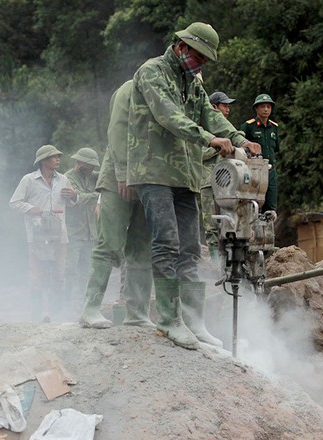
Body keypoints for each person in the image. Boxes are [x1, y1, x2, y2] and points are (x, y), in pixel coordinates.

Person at [127, 22, 261, 350]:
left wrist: (240, 137)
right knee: (167, 242)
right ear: (183, 47)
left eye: (204, 61)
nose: (200, 64)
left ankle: (193, 320)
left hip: (184, 175)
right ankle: (169, 320)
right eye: (198, 57)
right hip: (153, 171)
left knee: (190, 247)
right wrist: (208, 139)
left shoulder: (192, 83)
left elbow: (210, 115)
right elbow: (168, 115)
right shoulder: (152, 72)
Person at [79, 80, 154, 330]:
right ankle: (91, 308)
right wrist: (123, 173)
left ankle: (137, 311)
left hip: (148, 178)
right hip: (116, 178)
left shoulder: (173, 96)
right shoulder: (130, 89)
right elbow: (117, 134)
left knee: (141, 246)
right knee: (108, 243)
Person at [10, 145, 77, 321]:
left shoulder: (63, 179)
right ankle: (36, 315)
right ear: (43, 161)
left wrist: (73, 195)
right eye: (53, 157)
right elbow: (15, 202)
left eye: (57, 156)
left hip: (59, 235)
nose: (58, 159)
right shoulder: (29, 180)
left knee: (59, 274)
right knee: (36, 274)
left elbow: (71, 202)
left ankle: (56, 314)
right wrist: (31, 209)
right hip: (37, 235)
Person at [64, 148, 101, 317]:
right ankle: (65, 304)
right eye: (90, 166)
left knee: (86, 270)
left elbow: (106, 184)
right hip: (73, 231)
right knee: (69, 269)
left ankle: (83, 305)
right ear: (81, 164)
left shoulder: (94, 176)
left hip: (89, 232)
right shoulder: (68, 177)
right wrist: (93, 196)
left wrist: (83, 196)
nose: (92, 169)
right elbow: (74, 196)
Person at [201, 91, 236, 263]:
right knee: (211, 226)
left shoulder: (227, 130)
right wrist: (217, 146)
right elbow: (196, 153)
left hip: (226, 184)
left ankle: (230, 264)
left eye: (228, 105)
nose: (227, 109)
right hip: (207, 182)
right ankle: (216, 265)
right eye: (224, 105)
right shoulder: (203, 129)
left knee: (230, 223)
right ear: (214, 107)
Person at [241, 94, 279, 213]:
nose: (266, 109)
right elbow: (241, 147)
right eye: (263, 106)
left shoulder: (274, 127)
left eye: (268, 106)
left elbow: (276, 148)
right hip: (254, 169)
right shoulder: (248, 126)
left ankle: (269, 228)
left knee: (271, 204)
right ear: (256, 109)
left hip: (270, 169)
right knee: (253, 201)